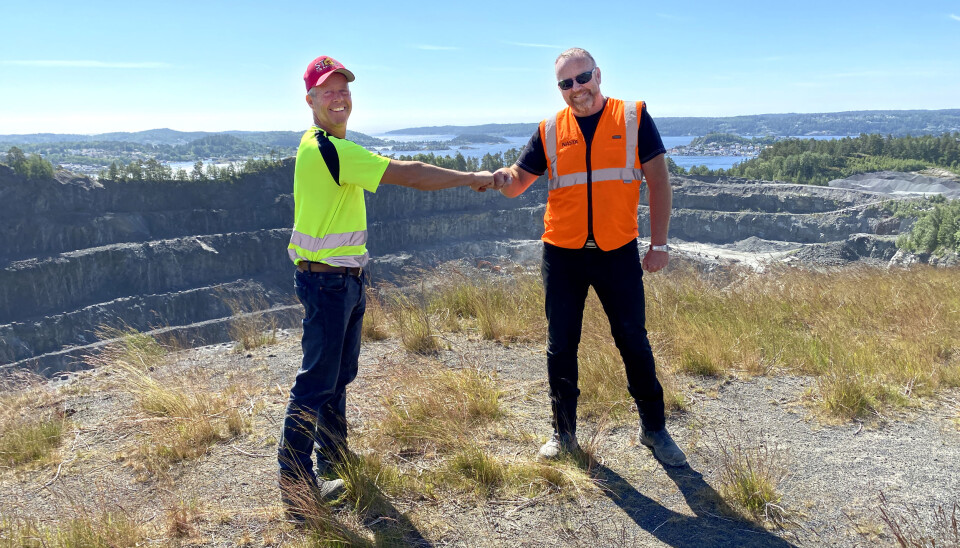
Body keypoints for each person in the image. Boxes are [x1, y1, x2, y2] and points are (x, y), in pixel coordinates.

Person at [279, 55, 500, 516]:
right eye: (328, 91)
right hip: (328, 284)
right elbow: (412, 173)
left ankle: (334, 460)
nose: (339, 97)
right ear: (310, 100)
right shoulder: (329, 149)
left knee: (337, 377)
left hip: (343, 280)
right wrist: (475, 178)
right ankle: (298, 488)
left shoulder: (327, 144)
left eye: (344, 89)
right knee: (316, 383)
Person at [492, 48, 686, 467]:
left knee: (633, 340)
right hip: (562, 254)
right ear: (559, 88)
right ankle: (564, 436)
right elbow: (519, 181)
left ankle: (655, 430)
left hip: (617, 251)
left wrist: (660, 243)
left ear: (598, 75)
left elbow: (658, 182)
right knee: (561, 344)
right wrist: (499, 179)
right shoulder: (549, 129)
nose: (576, 88)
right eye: (566, 83)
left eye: (582, 78)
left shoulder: (633, 117)